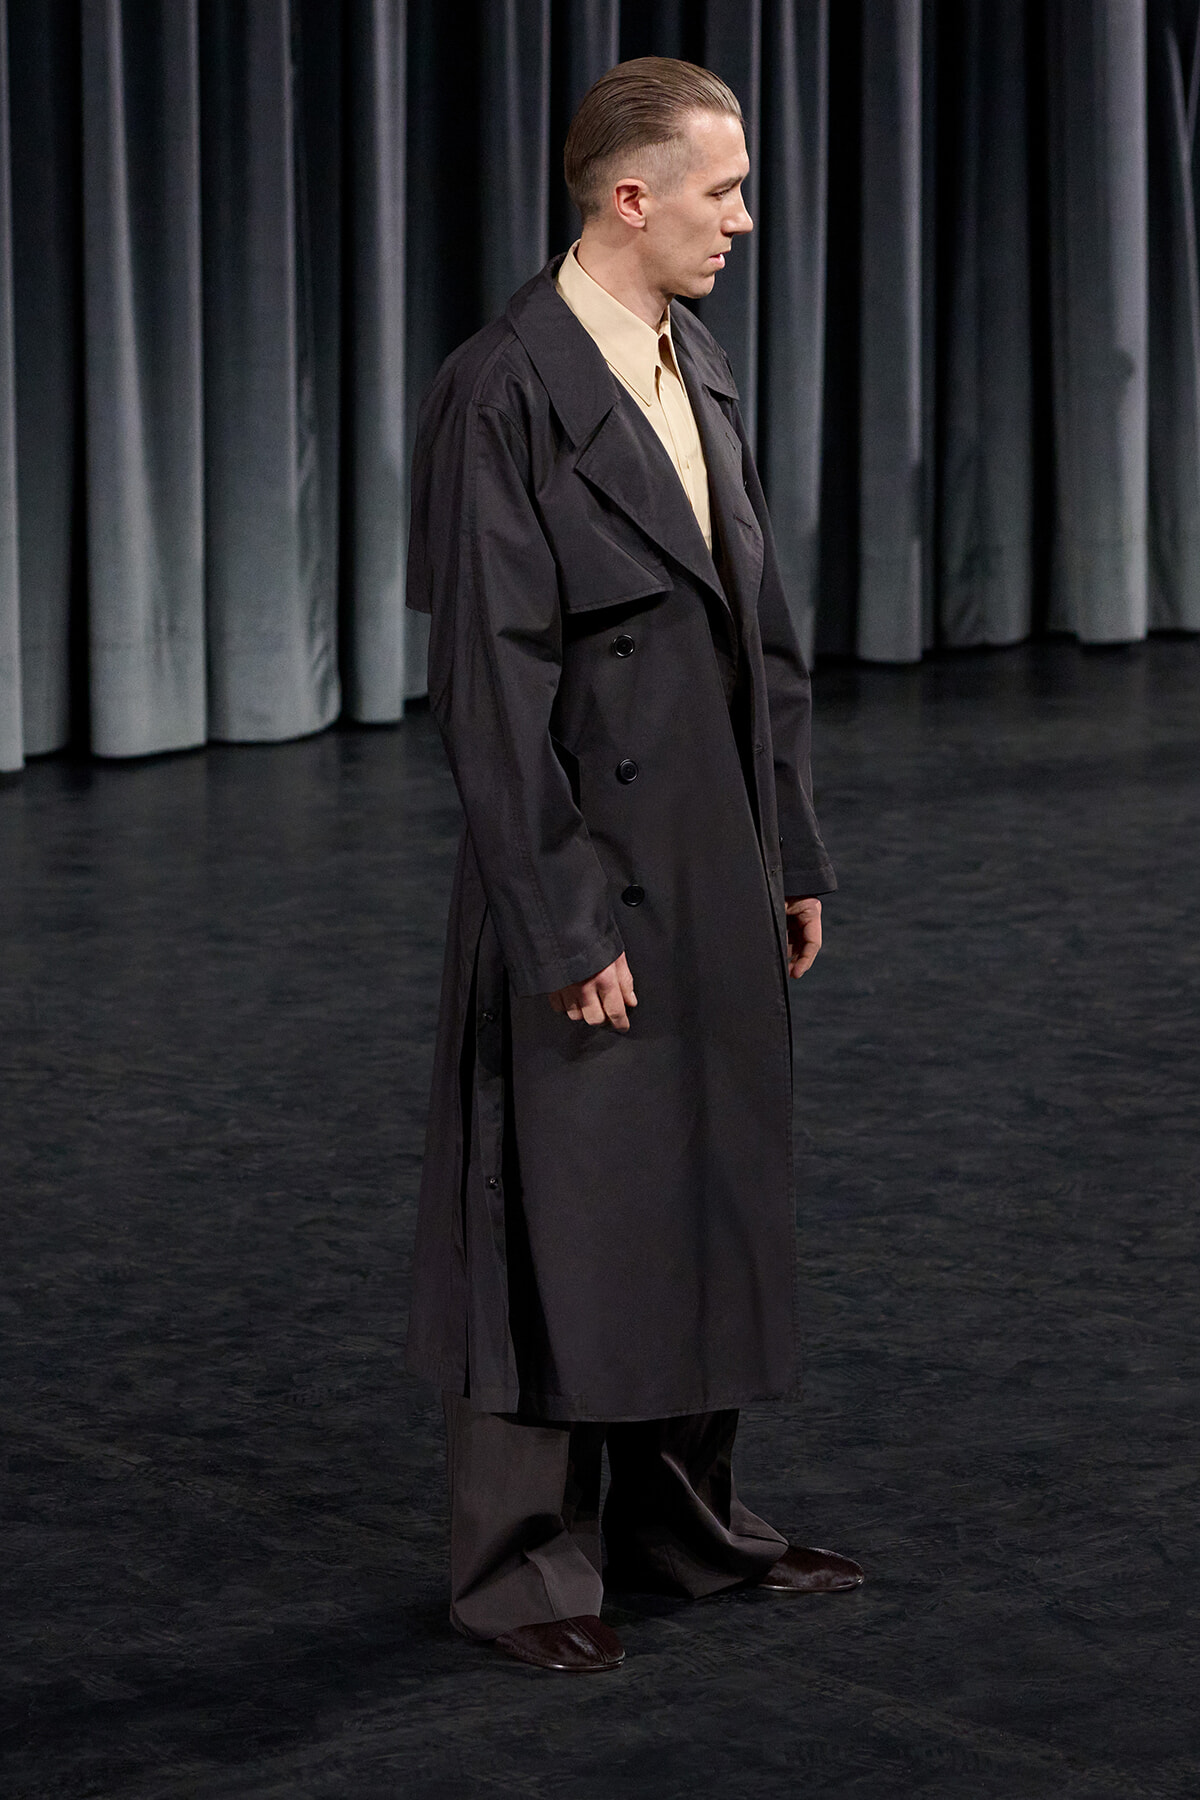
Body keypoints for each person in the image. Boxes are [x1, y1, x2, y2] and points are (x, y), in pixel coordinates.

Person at [404, 56, 862, 1674]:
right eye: (724, 191)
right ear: (631, 197)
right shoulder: (506, 387)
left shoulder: (697, 361)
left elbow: (763, 639)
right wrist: (559, 918)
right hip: (588, 876)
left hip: (714, 858)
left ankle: (682, 1522)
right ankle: (525, 1564)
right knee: (555, 1211)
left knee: (704, 1189)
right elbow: (490, 682)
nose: (744, 218)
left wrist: (785, 841)